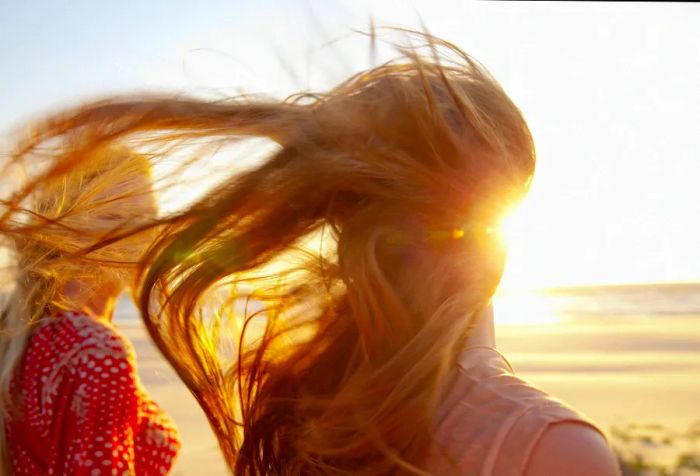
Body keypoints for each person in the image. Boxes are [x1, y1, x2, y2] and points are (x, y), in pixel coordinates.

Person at [1, 30, 620, 475]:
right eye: (121, 218)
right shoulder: (554, 449)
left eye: (146, 213)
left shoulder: (298, 409)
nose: (146, 232)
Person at [0, 145, 181, 475]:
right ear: (62, 232)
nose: (142, 236)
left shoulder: (27, 335)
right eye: (114, 219)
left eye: (149, 219)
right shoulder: (97, 350)